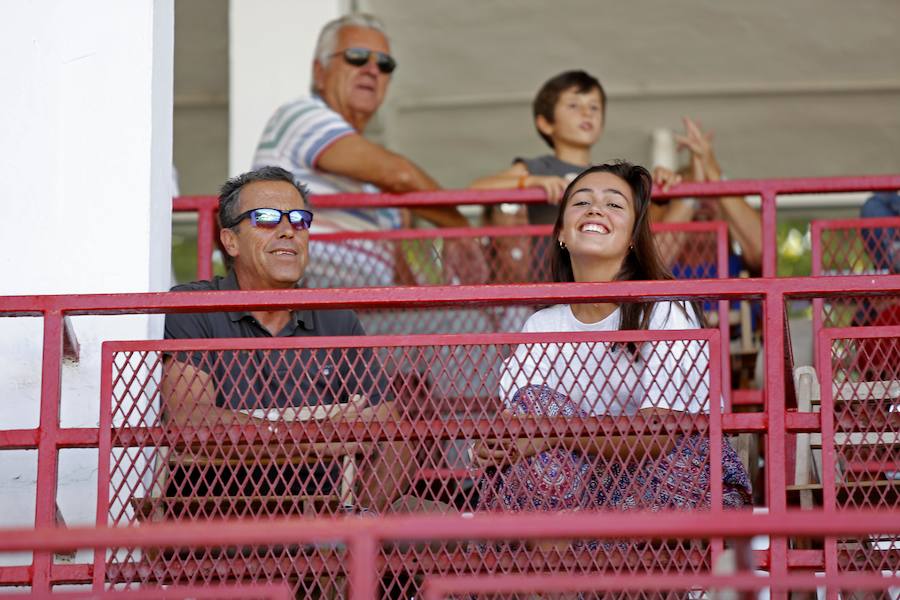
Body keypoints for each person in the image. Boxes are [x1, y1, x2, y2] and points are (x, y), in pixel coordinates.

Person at [474, 161, 752, 515]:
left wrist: (552, 435)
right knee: (531, 407)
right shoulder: (541, 325)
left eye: (615, 204)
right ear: (561, 232)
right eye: (581, 202)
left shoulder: (666, 310)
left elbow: (658, 436)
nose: (595, 209)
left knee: (541, 426)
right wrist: (495, 446)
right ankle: (557, 557)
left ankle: (554, 557)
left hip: (678, 484)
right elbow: (521, 425)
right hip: (587, 493)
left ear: (634, 237)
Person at [162, 166, 409, 514]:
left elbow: (389, 427)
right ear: (230, 241)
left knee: (449, 527)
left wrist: (352, 524)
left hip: (322, 517)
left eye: (299, 219)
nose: (287, 231)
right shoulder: (194, 307)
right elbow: (190, 420)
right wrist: (313, 437)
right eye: (265, 218)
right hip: (218, 516)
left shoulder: (336, 318)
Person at [252, 13, 485, 288]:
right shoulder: (301, 115)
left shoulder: (375, 188)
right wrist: (459, 228)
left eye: (384, 64)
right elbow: (400, 176)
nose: (372, 70)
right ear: (320, 72)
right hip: (308, 303)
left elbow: (401, 273)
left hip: (369, 312)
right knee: (504, 321)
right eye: (357, 56)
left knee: (486, 318)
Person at [651, 117, 763, 277]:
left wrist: (713, 171)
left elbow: (764, 250)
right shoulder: (663, 265)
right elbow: (652, 263)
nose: (702, 201)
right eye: (691, 195)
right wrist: (694, 190)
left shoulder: (738, 266)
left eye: (711, 194)